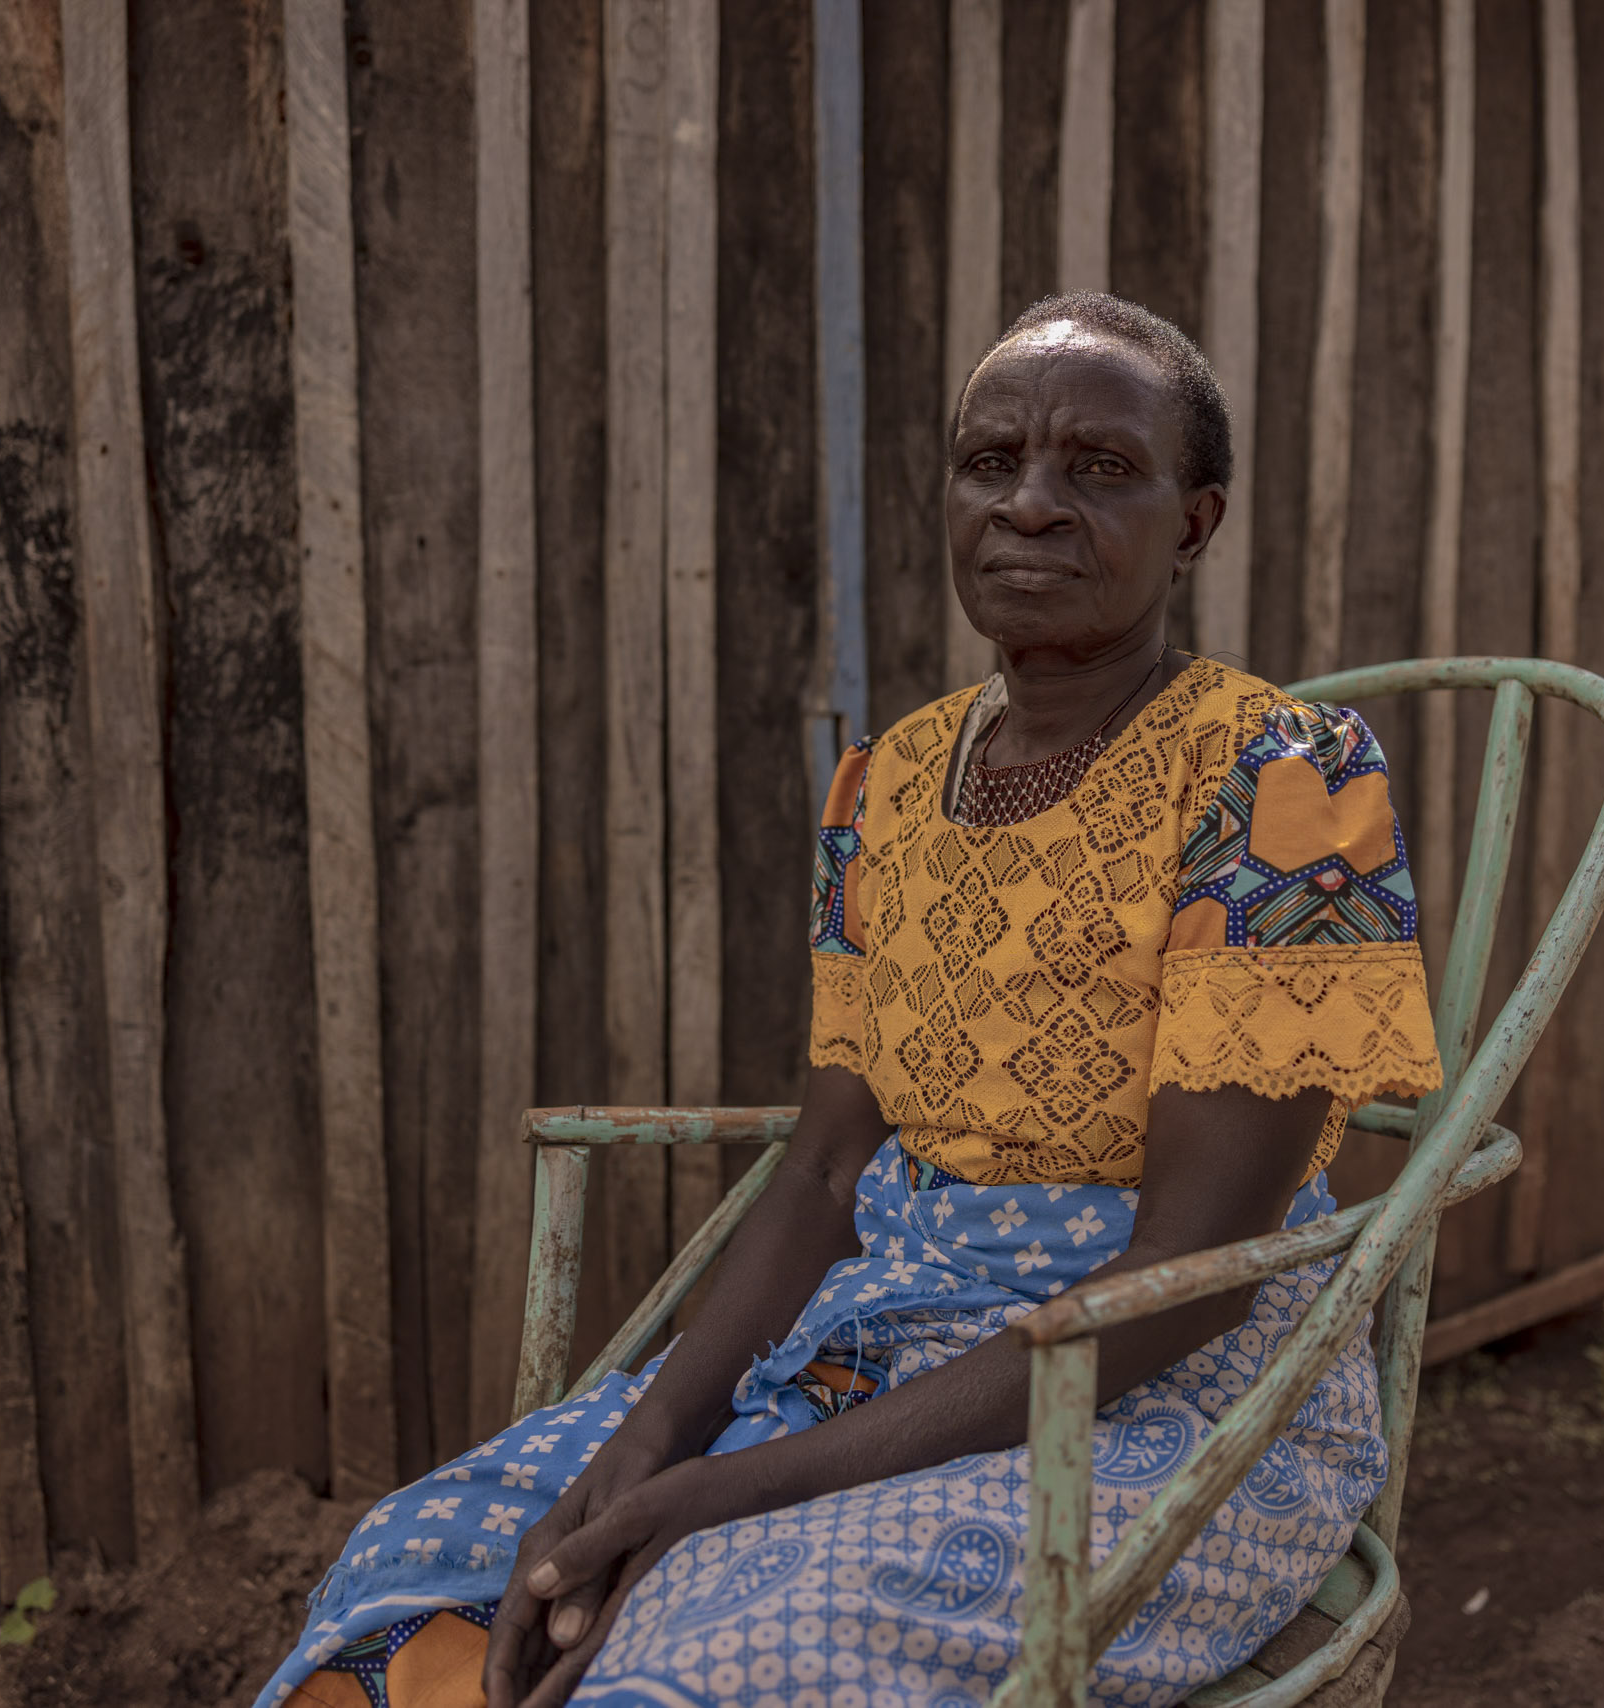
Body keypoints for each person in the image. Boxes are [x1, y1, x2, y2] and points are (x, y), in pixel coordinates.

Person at [262, 292, 1441, 1708]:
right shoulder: (889, 783)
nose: (1033, 505)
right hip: (869, 1347)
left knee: (693, 1660)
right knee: (417, 1585)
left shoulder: (1282, 780)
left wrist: (728, 1492)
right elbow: (828, 1168)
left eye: (1101, 469)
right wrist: (654, 1441)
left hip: (1154, 1402)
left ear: (1196, 522)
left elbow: (1184, 1276)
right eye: (990, 462)